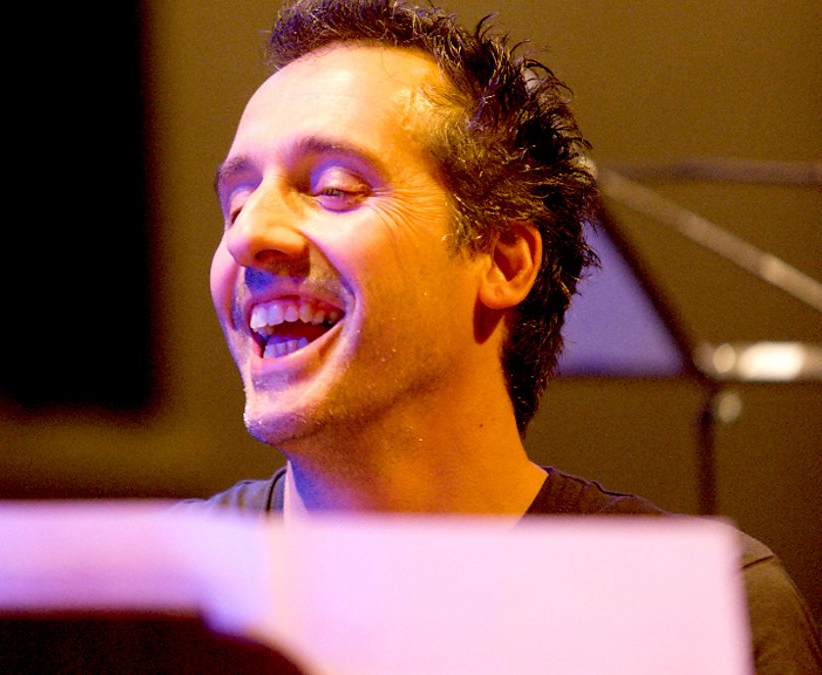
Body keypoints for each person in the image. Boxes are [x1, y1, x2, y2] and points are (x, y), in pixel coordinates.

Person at [182, 0, 822, 670]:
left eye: (334, 189)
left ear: (505, 262)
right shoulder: (159, 598)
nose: (249, 236)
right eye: (237, 204)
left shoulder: (697, 613)